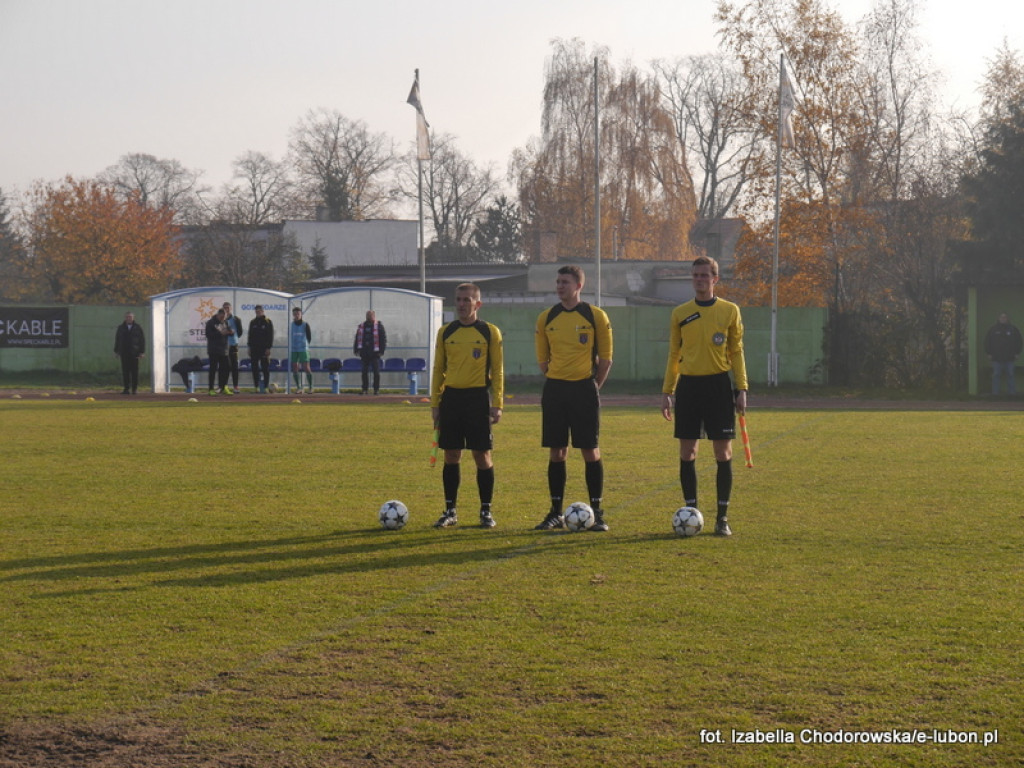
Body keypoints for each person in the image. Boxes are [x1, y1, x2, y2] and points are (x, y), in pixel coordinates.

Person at [660, 256, 748, 537]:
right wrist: (667, 391)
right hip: (688, 388)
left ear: (715, 279)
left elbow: (736, 351)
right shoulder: (680, 313)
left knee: (723, 453)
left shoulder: (730, 311)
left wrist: (741, 388)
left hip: (718, 387)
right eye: (695, 275)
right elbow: (674, 354)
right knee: (688, 453)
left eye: (704, 275)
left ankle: (722, 518)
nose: (699, 279)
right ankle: (691, 513)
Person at [533, 265, 614, 531]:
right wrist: (559, 378)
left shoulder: (595, 316)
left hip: (584, 390)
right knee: (557, 452)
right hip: (555, 391)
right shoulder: (547, 317)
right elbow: (543, 361)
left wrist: (592, 387)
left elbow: (606, 359)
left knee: (590, 451)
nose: (559, 287)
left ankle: (598, 513)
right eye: (557, 282)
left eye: (565, 282)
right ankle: (555, 512)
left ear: (579, 286)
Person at [430, 283, 504, 529]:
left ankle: (486, 511)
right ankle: (450, 510)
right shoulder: (445, 332)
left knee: (481, 455)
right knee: (451, 455)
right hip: (451, 399)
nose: (461, 304)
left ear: (477, 304)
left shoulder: (490, 332)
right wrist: (435, 402)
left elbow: (498, 370)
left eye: (467, 300)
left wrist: (498, 403)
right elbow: (438, 369)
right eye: (458, 300)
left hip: (477, 399)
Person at [983, 312, 1022, 396]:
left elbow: (1019, 341)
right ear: (998, 318)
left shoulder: (1013, 329)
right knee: (996, 375)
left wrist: (1017, 353)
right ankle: (995, 394)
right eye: (1002, 317)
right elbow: (987, 342)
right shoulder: (993, 329)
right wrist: (989, 353)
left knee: (1010, 375)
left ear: (1007, 319)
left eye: (1005, 317)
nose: (1003, 319)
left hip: (1010, 358)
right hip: (997, 358)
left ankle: (1012, 393)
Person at [354, 310, 388, 395]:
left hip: (375, 353)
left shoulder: (379, 326)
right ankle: (364, 389)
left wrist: (381, 351)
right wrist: (356, 349)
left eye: (370, 315)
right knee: (364, 372)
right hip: (364, 353)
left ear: (374, 316)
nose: (369, 317)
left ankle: (376, 389)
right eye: (367, 315)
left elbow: (383, 339)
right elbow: (357, 338)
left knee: (376, 372)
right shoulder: (362, 326)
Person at [114, 311, 145, 394]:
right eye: (127, 317)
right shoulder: (121, 327)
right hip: (124, 353)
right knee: (125, 372)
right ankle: (126, 389)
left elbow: (142, 340)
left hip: (134, 353)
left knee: (135, 372)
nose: (129, 318)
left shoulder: (138, 327)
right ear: (125, 318)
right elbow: (117, 340)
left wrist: (141, 352)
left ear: (133, 318)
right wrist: (117, 351)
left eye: (130, 317)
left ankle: (134, 389)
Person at [205, 308, 233, 395]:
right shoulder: (211, 323)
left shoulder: (225, 322)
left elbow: (228, 331)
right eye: (221, 317)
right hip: (214, 350)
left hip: (224, 350)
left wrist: (231, 332)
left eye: (224, 317)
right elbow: (208, 335)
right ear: (218, 315)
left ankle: (223, 387)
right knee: (213, 369)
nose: (222, 318)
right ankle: (211, 389)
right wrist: (220, 333)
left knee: (227, 367)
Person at [248, 304, 274, 393]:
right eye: (256, 311)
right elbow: (250, 336)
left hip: (264, 349)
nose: (258, 312)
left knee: (265, 368)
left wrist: (268, 348)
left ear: (263, 311)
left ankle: (266, 387)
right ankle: (256, 386)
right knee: (254, 368)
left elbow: (270, 336)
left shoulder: (268, 321)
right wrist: (249, 347)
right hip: (254, 349)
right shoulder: (252, 322)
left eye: (260, 311)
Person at [290, 307, 313, 393]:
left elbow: (309, 337)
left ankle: (311, 387)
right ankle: (299, 387)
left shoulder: (305, 324)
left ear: (301, 314)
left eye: (298, 314)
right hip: (294, 349)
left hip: (303, 349)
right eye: (295, 314)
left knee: (306, 367)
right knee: (295, 367)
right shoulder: (291, 325)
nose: (296, 315)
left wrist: (305, 345)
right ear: (293, 315)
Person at [222, 302, 243, 392]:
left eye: (228, 307)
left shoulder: (236, 319)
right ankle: (224, 386)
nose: (226, 309)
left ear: (231, 308)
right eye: (225, 308)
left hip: (233, 345)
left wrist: (233, 334)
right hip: (223, 346)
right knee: (225, 366)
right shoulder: (220, 319)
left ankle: (235, 386)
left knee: (234, 366)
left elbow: (240, 332)